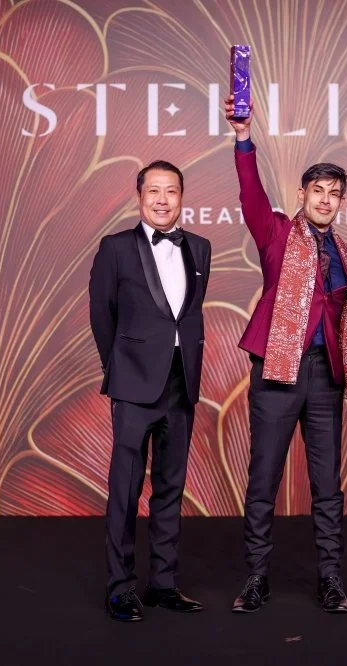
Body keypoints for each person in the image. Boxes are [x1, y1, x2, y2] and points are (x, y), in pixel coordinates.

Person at [224, 95, 347, 614]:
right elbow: (250, 193)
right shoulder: (277, 231)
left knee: (327, 485)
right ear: (302, 194)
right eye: (318, 191)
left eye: (334, 194)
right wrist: (243, 137)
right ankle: (256, 578)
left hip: (325, 377)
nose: (325, 200)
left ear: (341, 202)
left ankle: (331, 580)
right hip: (277, 372)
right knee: (264, 478)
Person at [89, 160, 211, 622]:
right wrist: (120, 369)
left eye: (171, 191)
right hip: (133, 384)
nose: (162, 200)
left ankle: (163, 583)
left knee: (170, 487)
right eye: (154, 191)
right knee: (125, 488)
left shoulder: (200, 248)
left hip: (181, 382)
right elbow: (102, 313)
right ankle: (120, 588)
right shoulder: (116, 247)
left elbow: (189, 315)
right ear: (139, 196)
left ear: (182, 196)